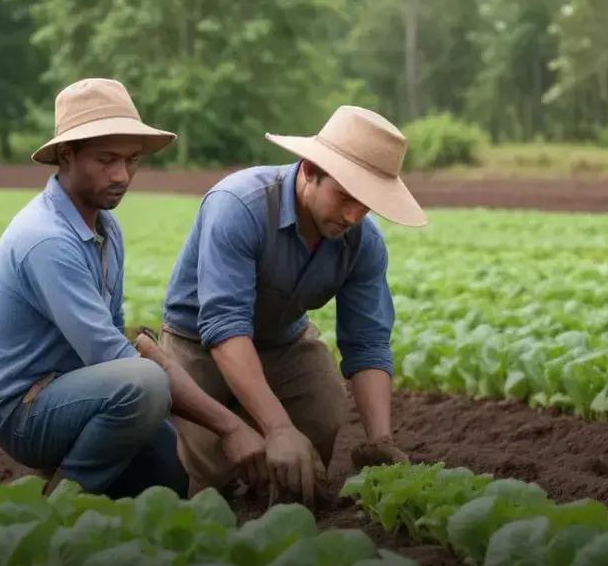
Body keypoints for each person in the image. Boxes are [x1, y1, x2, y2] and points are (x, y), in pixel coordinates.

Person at [0, 78, 265, 498]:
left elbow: (115, 335)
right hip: (25, 411)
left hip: (84, 392)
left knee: (179, 477)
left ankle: (95, 477)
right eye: (106, 160)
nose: (122, 175)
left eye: (131, 160)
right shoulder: (47, 239)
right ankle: (62, 502)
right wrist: (229, 426)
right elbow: (113, 356)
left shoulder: (106, 228)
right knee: (145, 386)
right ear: (67, 154)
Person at [159, 105, 427, 506]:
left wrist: (380, 440)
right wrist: (278, 427)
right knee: (211, 469)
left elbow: (367, 341)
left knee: (321, 415)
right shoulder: (239, 205)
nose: (354, 216)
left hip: (283, 340)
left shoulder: (363, 243)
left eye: (366, 204)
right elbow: (224, 325)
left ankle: (275, 486)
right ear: (308, 171)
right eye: (344, 197)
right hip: (197, 341)